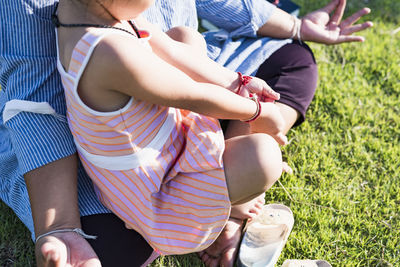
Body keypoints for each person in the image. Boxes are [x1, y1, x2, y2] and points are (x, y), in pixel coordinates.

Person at [0, 0, 372, 266]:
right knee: (263, 157)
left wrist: (241, 78)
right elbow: (191, 94)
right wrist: (258, 110)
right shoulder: (111, 51)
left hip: (158, 131)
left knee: (188, 37)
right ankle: (230, 208)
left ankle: (226, 189)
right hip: (157, 187)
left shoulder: (89, 15)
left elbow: (175, 51)